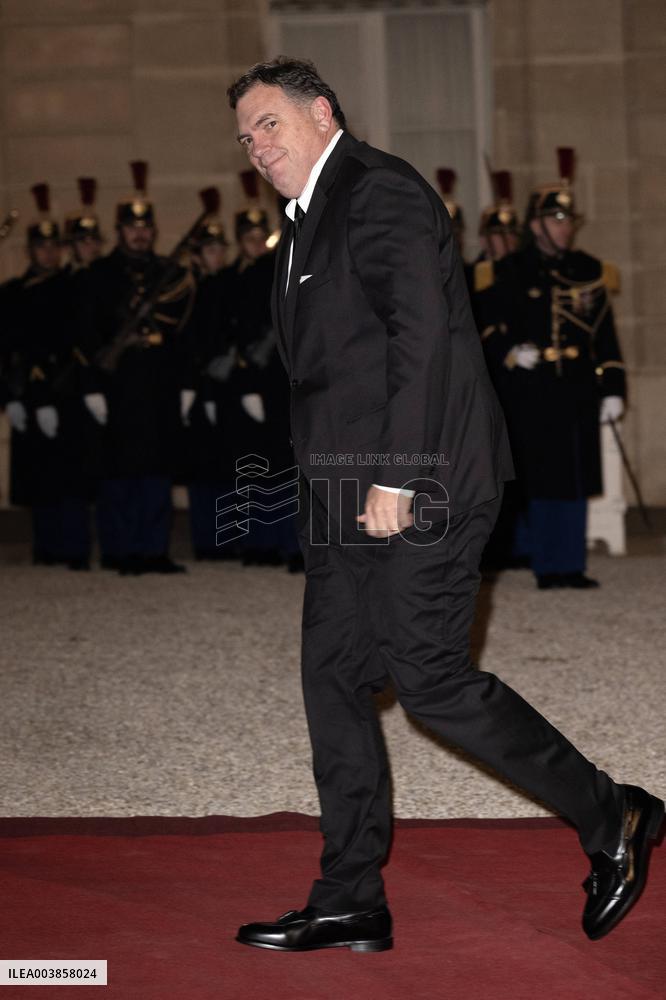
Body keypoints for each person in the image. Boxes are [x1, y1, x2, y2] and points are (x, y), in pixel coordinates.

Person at [228, 58, 663, 952]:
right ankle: (349, 896)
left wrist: (396, 476)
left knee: (430, 679)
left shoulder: (379, 191)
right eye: (244, 136)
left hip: (421, 480)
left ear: (322, 113)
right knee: (331, 676)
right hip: (341, 490)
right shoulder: (302, 221)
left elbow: (421, 341)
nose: (257, 146)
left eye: (269, 123)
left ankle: (611, 812)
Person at [479, 149, 626, 589]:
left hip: (577, 388)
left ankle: (571, 564)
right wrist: (510, 352)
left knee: (575, 478)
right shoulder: (509, 271)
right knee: (541, 479)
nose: (565, 228)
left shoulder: (588, 270)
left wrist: (613, 386)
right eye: (556, 220)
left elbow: (605, 334)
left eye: (568, 221)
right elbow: (484, 327)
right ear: (536, 224)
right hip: (531, 390)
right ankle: (547, 565)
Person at [76, 161, 195, 574]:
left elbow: (184, 336)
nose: (139, 234)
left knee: (158, 470)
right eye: (131, 227)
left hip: (160, 383)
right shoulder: (98, 275)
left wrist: (186, 385)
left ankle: (153, 549)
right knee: (118, 471)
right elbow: (85, 335)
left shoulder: (169, 273)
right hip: (117, 385)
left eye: (145, 228)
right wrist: (91, 387)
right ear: (119, 231)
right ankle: (120, 550)